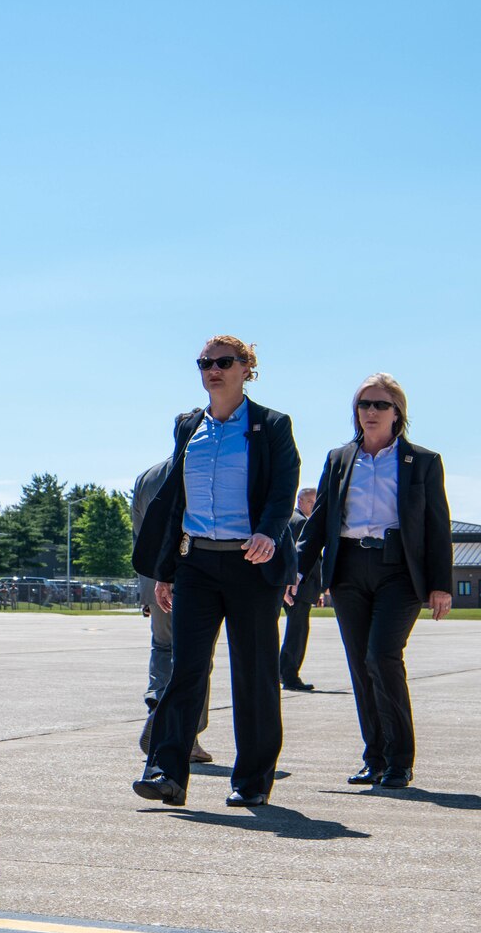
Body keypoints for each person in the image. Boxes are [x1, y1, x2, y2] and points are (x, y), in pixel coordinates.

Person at [132, 337, 299, 808]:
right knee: (186, 669)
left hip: (251, 561)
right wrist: (166, 570)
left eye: (224, 362)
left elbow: (284, 484)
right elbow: (174, 503)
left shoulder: (271, 425)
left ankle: (251, 780)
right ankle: (165, 771)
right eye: (205, 363)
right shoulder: (189, 426)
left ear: (248, 368)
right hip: (196, 564)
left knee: (254, 673)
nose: (213, 370)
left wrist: (269, 532)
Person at [288, 375, 454, 789]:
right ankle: (374, 757)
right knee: (361, 666)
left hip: (399, 570)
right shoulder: (340, 458)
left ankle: (400, 759)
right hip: (348, 571)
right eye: (364, 404)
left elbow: (437, 526)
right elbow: (320, 518)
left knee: (382, 657)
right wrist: (297, 568)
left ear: (398, 413)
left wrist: (441, 584)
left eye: (380, 405)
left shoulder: (423, 461)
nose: (371, 412)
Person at [131, 456, 213, 761]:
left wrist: (146, 592)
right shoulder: (198, 469)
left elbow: (139, 538)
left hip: (154, 582)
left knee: (162, 648)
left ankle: (157, 702)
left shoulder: (146, 477)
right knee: (196, 658)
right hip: (190, 579)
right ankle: (185, 734)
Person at [278, 487, 319, 690]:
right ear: (300, 501)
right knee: (297, 633)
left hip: (290, 586)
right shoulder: (301, 522)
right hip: (298, 587)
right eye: (311, 501)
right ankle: (289, 675)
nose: (314, 505)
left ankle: (282, 671)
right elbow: (299, 556)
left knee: (294, 631)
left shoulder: (289, 518)